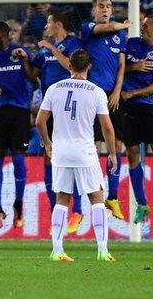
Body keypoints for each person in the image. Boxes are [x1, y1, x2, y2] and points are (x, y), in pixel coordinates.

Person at [35, 49, 118, 262]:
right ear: (90, 66)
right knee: (97, 198)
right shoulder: (97, 91)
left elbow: (39, 121)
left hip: (60, 153)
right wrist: (113, 154)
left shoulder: (54, 89)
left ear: (69, 66)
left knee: (62, 199)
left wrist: (47, 143)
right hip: (84, 152)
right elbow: (107, 128)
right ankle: (102, 250)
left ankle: (57, 250)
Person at [0, 21, 36, 230]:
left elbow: (32, 77)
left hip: (20, 110)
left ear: (2, 34)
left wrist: (26, 59)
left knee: (19, 156)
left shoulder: (20, 52)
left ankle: (19, 203)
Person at [32, 10, 84, 233]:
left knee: (74, 158)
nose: (46, 26)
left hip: (70, 108)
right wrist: (24, 59)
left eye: (49, 22)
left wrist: (52, 48)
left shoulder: (74, 44)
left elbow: (70, 66)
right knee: (49, 158)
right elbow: (33, 73)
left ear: (58, 24)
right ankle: (57, 215)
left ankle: (78, 211)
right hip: (50, 106)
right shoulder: (43, 50)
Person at [80, 0, 130, 220]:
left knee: (116, 143)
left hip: (112, 95)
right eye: (101, 6)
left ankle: (114, 197)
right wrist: (124, 23)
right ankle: (92, 195)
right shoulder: (88, 28)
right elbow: (106, 27)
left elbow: (121, 65)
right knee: (93, 145)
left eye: (108, 6)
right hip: (91, 95)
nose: (105, 9)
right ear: (94, 10)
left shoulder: (120, 35)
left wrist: (118, 91)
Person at [121, 15, 153, 224]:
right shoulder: (131, 44)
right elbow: (118, 69)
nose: (141, 27)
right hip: (128, 107)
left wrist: (133, 93)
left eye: (146, 25)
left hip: (149, 105)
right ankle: (142, 205)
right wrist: (134, 68)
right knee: (132, 153)